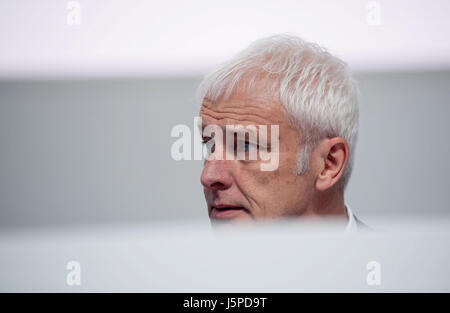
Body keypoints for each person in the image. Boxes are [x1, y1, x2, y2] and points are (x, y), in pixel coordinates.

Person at [197, 34, 366, 231]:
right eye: (210, 145)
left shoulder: (393, 260)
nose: (208, 176)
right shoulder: (186, 262)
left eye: (246, 146)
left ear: (329, 163)